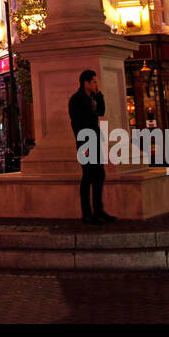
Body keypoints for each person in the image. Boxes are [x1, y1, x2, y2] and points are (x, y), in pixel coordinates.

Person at [68, 69, 114, 224]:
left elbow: (101, 112)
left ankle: (98, 209)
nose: (96, 84)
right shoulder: (76, 100)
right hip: (85, 141)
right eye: (94, 81)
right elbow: (77, 123)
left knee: (99, 174)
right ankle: (87, 213)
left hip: (95, 139)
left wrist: (99, 94)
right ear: (85, 83)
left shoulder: (93, 97)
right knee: (88, 175)